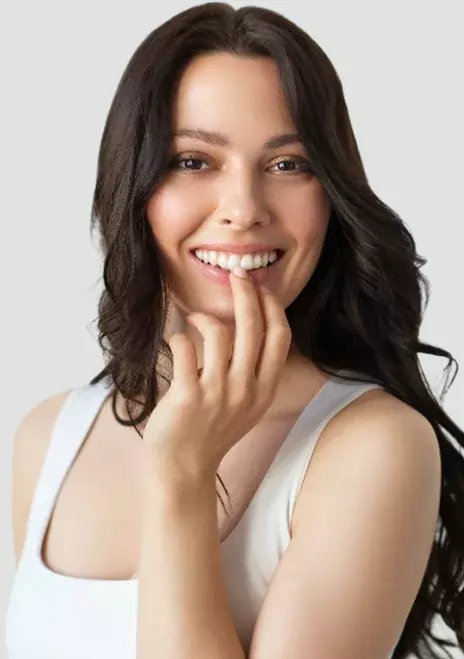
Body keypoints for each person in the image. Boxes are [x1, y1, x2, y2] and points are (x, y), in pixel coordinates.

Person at [5, 3, 464, 658]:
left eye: (288, 164)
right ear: (132, 184)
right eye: (194, 161)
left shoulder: (372, 446)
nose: (244, 209)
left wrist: (183, 476)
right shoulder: (50, 436)